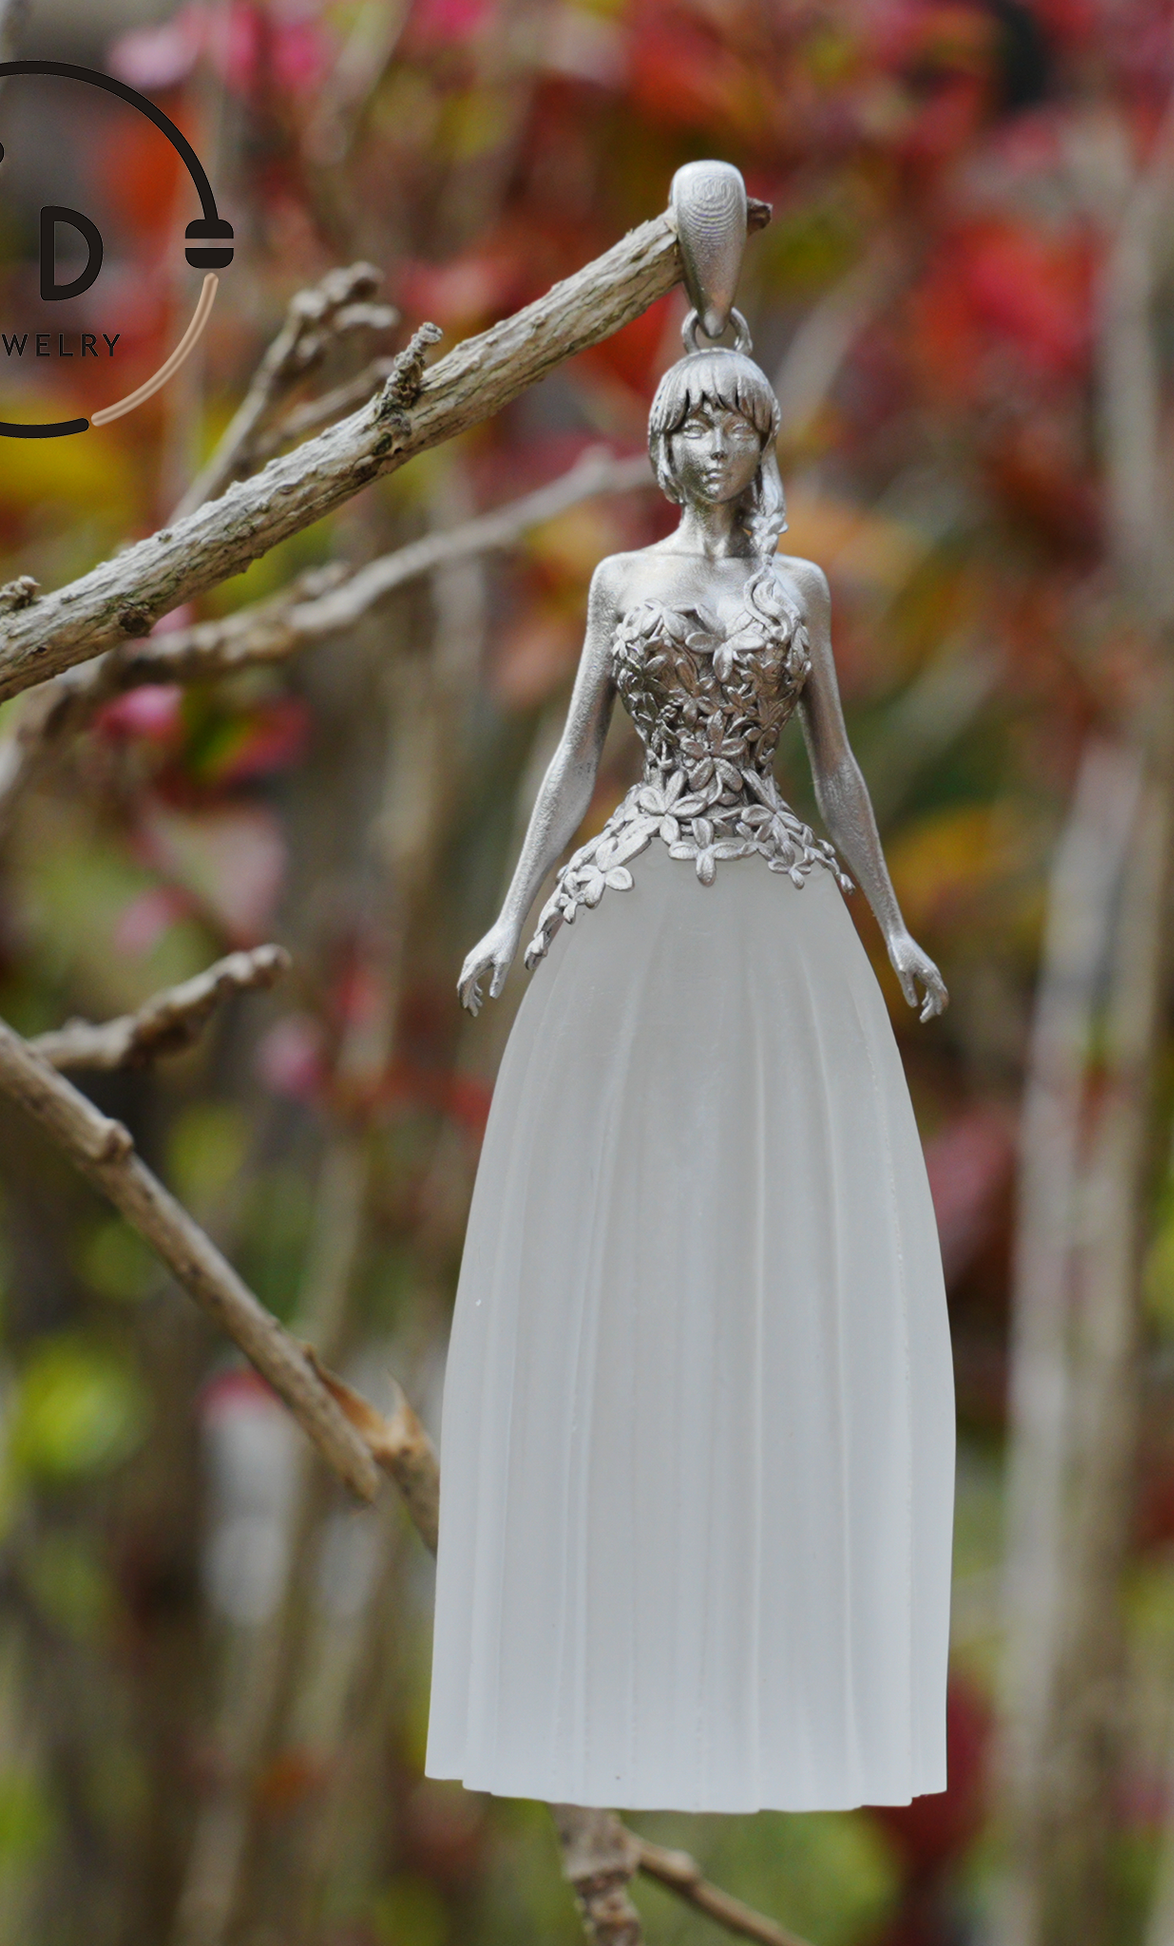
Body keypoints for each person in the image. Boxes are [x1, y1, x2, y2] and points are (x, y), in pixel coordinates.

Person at [424, 317, 955, 1814]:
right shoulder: (619, 584)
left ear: (763, 443)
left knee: (782, 1207)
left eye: (741, 426)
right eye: (698, 425)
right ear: (666, 445)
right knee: (612, 1213)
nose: (720, 447)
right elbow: (568, 762)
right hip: (635, 890)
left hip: (777, 904)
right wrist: (510, 914)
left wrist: (892, 927)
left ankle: (781, 1649)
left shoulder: (801, 591)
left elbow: (835, 768)